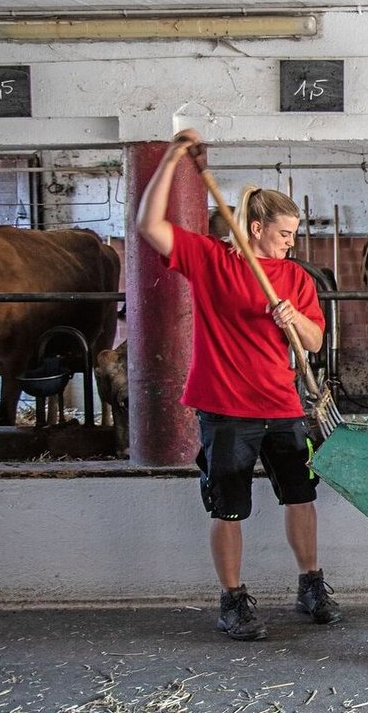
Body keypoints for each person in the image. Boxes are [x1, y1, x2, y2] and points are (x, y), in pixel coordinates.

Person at [137, 129, 341, 641]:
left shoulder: (296, 279)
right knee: (228, 504)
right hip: (225, 407)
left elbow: (314, 344)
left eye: (293, 234)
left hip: (282, 403)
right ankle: (232, 598)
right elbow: (148, 225)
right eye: (285, 234)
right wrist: (172, 161)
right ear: (255, 228)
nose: (291, 242)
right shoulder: (211, 261)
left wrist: (293, 319)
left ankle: (310, 584)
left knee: (301, 497)